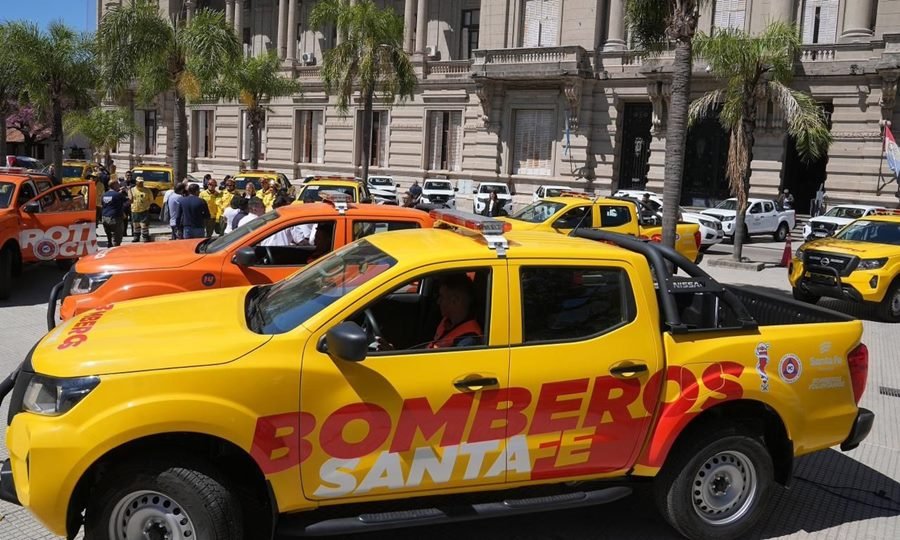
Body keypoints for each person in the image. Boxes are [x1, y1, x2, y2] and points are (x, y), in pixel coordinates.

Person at [100, 180, 127, 247]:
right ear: (114, 185)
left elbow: (104, 204)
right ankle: (115, 251)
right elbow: (130, 200)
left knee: (109, 238)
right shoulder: (118, 195)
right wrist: (128, 190)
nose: (119, 185)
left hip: (105, 217)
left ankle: (109, 248)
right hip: (115, 218)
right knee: (116, 239)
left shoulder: (104, 195)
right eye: (117, 184)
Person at [128, 177, 153, 242]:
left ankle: (145, 237)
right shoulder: (132, 190)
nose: (140, 183)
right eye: (139, 182)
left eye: (141, 182)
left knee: (144, 225)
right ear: (136, 182)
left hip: (144, 210)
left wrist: (146, 206)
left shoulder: (147, 190)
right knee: (136, 225)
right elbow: (130, 199)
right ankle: (136, 237)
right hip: (135, 210)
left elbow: (151, 200)